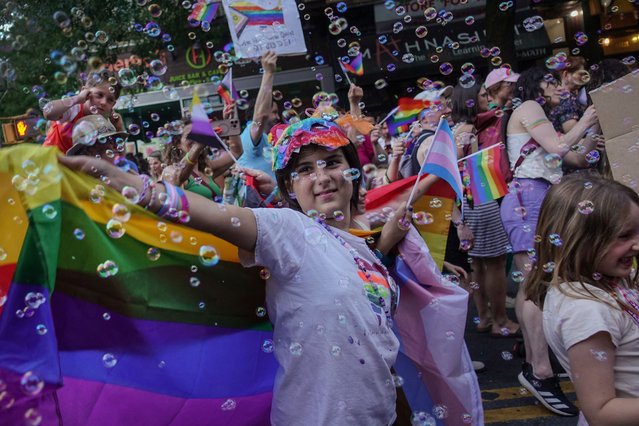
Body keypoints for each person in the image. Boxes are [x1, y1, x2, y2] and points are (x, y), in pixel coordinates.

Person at [59, 117, 418, 425]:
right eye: (305, 169)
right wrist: (117, 177)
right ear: (289, 188)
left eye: (332, 162)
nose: (322, 176)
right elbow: (208, 214)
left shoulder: (363, 251)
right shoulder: (290, 229)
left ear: (352, 170)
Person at [501, 66, 599, 416]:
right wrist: (586, 118)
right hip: (528, 201)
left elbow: (573, 157)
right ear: (535, 86)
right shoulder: (529, 107)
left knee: (533, 284)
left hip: (541, 197)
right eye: (552, 81)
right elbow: (559, 146)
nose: (559, 86)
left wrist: (591, 135)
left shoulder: (536, 115)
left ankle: (537, 365)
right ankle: (540, 369)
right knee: (537, 283)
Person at [525, 175, 639, 426]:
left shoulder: (606, 280)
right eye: (625, 235)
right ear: (581, 239)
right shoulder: (586, 310)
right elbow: (601, 410)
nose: (637, 244)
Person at [451, 79, 519, 337]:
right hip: (480, 198)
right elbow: (455, 164)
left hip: (468, 201)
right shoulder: (467, 128)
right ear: (469, 100)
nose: (485, 99)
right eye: (481, 95)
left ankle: (484, 317)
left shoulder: (460, 126)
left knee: (477, 264)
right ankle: (501, 321)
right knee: (495, 263)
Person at [161, 115, 243, 201]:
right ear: (178, 144)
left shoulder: (206, 168)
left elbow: (236, 152)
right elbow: (179, 174)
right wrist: (199, 145)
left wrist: (230, 121)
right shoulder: (170, 171)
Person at [43, 70, 124, 154]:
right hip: (49, 160)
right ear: (85, 92)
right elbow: (48, 112)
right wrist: (77, 98)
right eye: (99, 95)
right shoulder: (74, 109)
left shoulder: (105, 125)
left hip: (72, 166)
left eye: (110, 100)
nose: (103, 102)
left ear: (113, 104)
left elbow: (118, 156)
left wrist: (119, 128)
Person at [237, 51, 280, 178]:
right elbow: (261, 116)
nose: (278, 117)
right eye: (274, 112)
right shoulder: (252, 131)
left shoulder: (266, 137)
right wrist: (268, 73)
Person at [550, 56, 587, 134]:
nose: (583, 78)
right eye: (580, 74)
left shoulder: (556, 96)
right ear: (566, 75)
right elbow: (571, 130)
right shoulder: (567, 98)